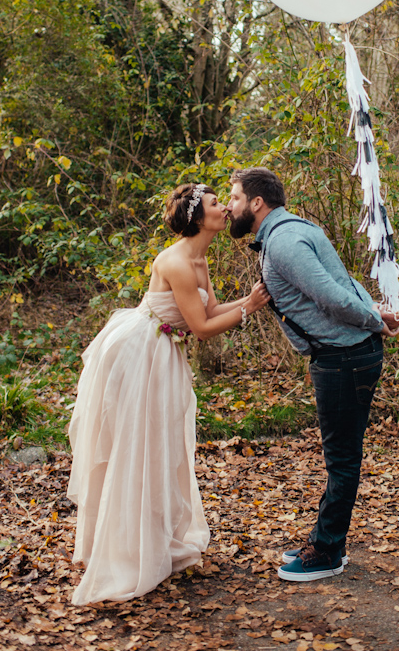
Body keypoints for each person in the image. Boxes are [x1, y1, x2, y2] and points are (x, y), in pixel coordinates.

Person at [67, 183, 270, 605]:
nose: (226, 209)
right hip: (138, 353)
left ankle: (153, 537)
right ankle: (124, 549)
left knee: (159, 447)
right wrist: (248, 309)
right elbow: (200, 329)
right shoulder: (176, 260)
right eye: (218, 204)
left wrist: (247, 300)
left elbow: (211, 311)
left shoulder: (200, 258)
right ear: (199, 218)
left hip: (164, 352)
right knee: (136, 446)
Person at [226, 167, 399, 583]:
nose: (230, 205)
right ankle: (326, 541)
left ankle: (326, 552)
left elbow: (332, 296)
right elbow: (342, 282)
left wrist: (375, 322)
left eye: (234, 198)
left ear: (256, 203)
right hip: (343, 355)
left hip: (344, 358)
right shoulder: (291, 230)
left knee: (342, 460)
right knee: (341, 457)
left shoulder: (284, 242)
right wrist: (373, 311)